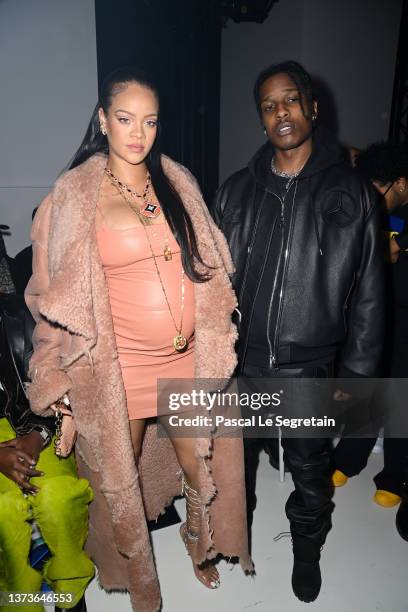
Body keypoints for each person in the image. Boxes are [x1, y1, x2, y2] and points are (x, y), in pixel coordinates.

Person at [25, 67, 251, 612]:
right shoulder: (74, 195)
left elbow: (209, 265)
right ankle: (141, 583)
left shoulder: (176, 181)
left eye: (149, 121)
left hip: (183, 359)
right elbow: (47, 294)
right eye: (125, 119)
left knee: (201, 466)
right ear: (103, 120)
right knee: (119, 485)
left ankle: (199, 548)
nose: (137, 133)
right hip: (118, 369)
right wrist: (53, 372)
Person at [212, 60, 384, 602]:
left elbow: (370, 295)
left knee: (311, 478)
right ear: (261, 119)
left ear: (312, 107)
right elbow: (213, 283)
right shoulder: (237, 191)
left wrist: (356, 377)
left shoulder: (354, 193)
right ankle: (237, 544)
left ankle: (306, 556)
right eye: (268, 105)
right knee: (236, 471)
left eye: (289, 100)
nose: (280, 112)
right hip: (241, 366)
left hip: (308, 369)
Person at [332, 143, 408, 541]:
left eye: (382, 191)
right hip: (378, 312)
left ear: (403, 183)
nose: (375, 199)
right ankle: (349, 457)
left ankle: (395, 476)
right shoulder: (372, 205)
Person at [0, 293, 93, 612]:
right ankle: (18, 598)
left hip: (32, 421)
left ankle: (69, 590)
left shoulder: (22, 313)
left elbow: (54, 379)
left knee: (57, 496)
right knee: (4, 511)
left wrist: (38, 434)